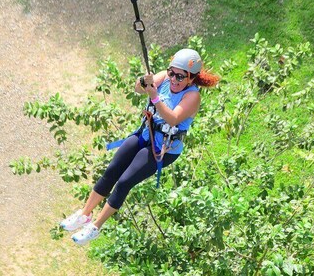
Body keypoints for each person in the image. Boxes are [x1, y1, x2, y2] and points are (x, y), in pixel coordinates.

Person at [60, 48, 220, 245]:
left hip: (163, 150)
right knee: (112, 170)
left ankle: (95, 227)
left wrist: (154, 96)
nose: (174, 79)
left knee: (125, 182)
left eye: (180, 76)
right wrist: (144, 81)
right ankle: (84, 214)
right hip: (145, 134)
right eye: (171, 73)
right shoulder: (164, 78)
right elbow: (138, 88)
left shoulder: (192, 97)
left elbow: (173, 118)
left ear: (191, 79)